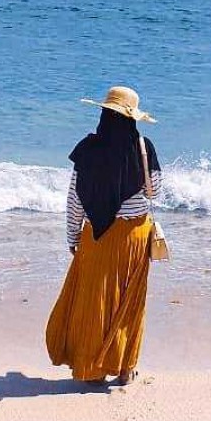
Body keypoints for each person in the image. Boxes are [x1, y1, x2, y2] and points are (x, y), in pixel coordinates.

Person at [46, 86, 162, 386]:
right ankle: (125, 368)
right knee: (129, 303)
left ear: (103, 114)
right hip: (135, 236)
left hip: (97, 237)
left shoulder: (88, 149)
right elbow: (155, 191)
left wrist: (73, 237)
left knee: (94, 302)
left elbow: (76, 198)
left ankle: (91, 370)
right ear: (132, 118)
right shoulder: (143, 147)